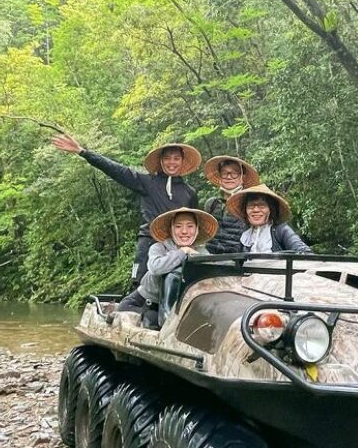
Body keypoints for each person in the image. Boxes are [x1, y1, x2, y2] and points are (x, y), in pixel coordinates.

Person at [50, 134, 200, 286]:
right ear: (161, 161)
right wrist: (82, 151)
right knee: (139, 286)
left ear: (182, 161)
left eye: (176, 158)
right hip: (149, 244)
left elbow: (194, 224)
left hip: (177, 247)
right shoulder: (147, 182)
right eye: (167, 158)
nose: (172, 162)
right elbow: (116, 170)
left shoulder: (189, 192)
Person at [127, 207, 218, 328]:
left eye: (190, 226)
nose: (184, 231)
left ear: (197, 229)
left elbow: (212, 274)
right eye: (178, 226)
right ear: (171, 229)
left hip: (179, 308)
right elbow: (155, 268)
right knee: (153, 325)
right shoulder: (158, 248)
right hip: (144, 304)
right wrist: (183, 252)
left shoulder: (202, 252)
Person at [226, 184, 312, 254]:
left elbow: (304, 251)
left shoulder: (281, 230)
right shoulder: (245, 235)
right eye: (251, 206)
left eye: (262, 206)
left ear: (271, 209)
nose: (255, 210)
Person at [202, 155, 260, 255]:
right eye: (225, 173)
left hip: (238, 262)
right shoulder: (211, 204)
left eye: (234, 173)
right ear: (220, 177)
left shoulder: (250, 205)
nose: (229, 177)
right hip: (210, 260)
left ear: (243, 176)